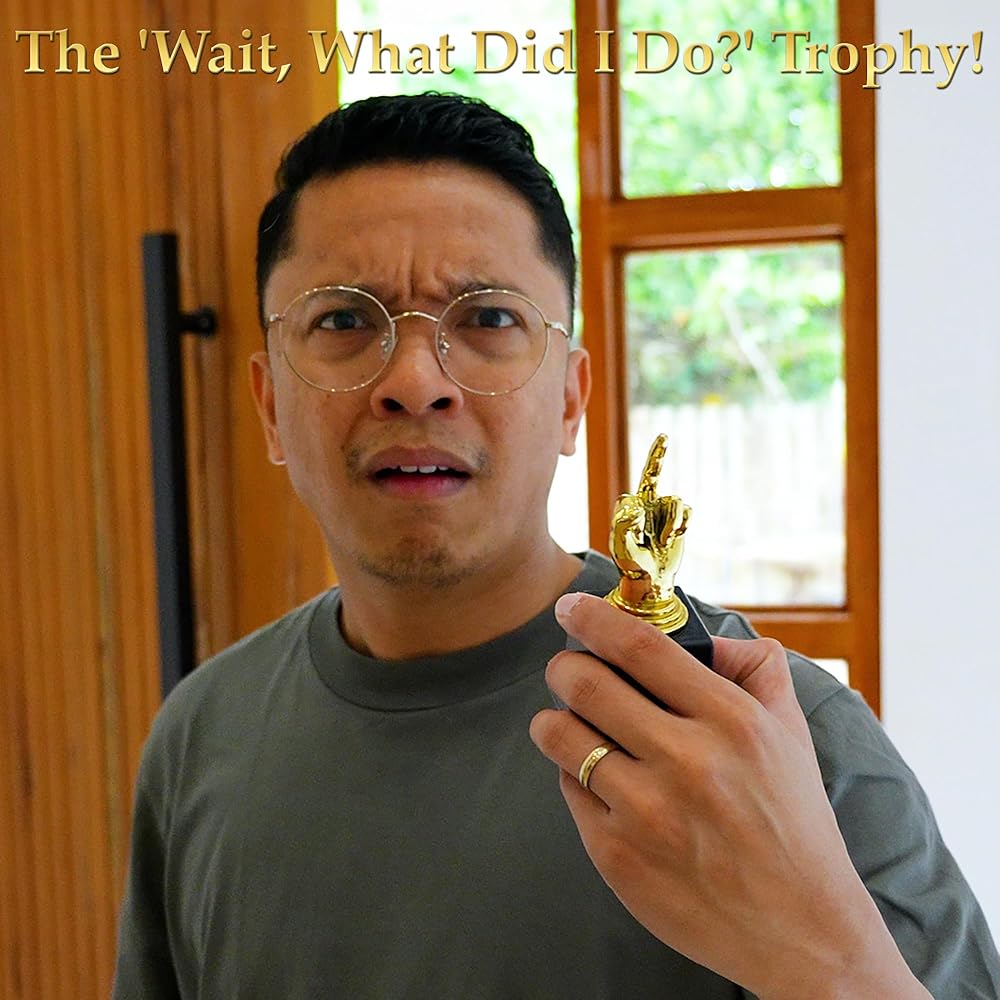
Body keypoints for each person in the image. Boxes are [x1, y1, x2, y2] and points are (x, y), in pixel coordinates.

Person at [113, 93, 999, 999]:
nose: (414, 381)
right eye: (343, 321)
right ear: (269, 404)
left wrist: (821, 955)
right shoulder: (202, 738)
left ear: (572, 399)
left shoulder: (774, 743)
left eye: (488, 319)